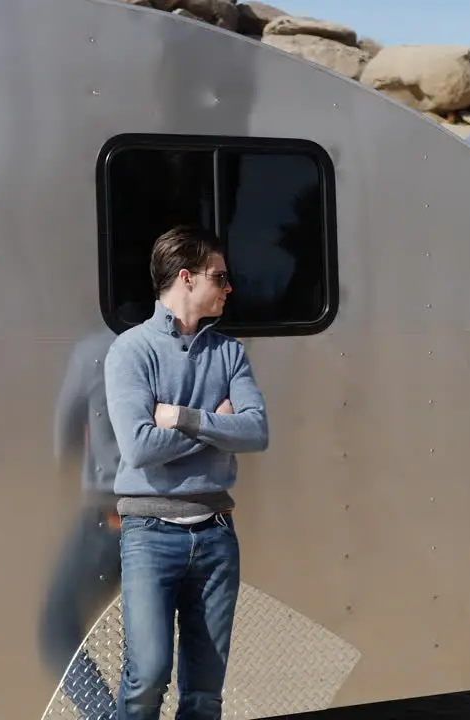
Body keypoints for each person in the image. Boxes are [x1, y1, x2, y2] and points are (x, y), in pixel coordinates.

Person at [103, 224, 270, 720]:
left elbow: (257, 431)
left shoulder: (230, 353)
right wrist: (219, 424)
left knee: (204, 693)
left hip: (217, 535)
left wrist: (182, 417)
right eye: (220, 276)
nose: (229, 286)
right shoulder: (131, 351)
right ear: (186, 278)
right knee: (146, 677)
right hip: (149, 534)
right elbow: (138, 446)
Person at [38, 302, 145, 718]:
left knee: (57, 629)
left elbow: (62, 438)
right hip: (166, 521)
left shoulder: (95, 350)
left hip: (112, 519)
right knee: (140, 645)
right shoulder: (180, 347)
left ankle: (106, 716)